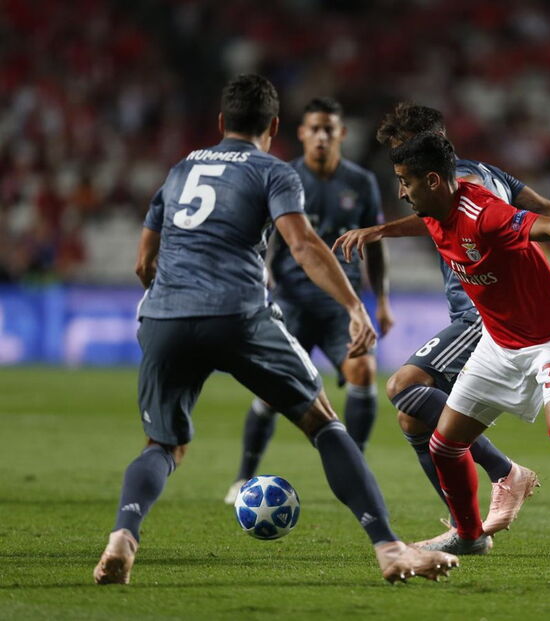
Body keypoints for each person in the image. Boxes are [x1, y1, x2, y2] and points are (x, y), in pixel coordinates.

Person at [93, 75, 457, 585]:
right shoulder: (273, 171)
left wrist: (172, 297)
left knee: (161, 446)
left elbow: (142, 260)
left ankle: (122, 537)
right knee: (324, 423)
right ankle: (390, 548)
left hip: (165, 316)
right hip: (238, 314)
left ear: (221, 123)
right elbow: (305, 246)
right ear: (276, 126)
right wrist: (355, 305)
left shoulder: (181, 168)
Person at [335, 103, 550, 546]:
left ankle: (506, 473)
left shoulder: (465, 185)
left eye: (403, 159)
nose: (401, 180)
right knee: (413, 421)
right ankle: (466, 530)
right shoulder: (486, 172)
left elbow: (539, 223)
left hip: (482, 310)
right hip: (477, 308)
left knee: (404, 386)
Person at [376, 132, 550, 565]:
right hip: (499, 342)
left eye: (405, 182)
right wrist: (380, 232)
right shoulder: (435, 209)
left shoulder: (484, 213)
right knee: (444, 445)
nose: (401, 191)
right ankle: (469, 536)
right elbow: (423, 223)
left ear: (432, 180)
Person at [224, 97, 392, 504]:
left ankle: (354, 465)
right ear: (300, 133)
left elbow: (375, 245)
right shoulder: (284, 176)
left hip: (340, 307)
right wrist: (261, 270)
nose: (321, 136)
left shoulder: (361, 182)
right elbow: (263, 232)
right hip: (291, 304)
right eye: (314, 128)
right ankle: (242, 477)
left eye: (328, 129)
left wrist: (382, 301)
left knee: (364, 373)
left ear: (341, 134)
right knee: (268, 391)